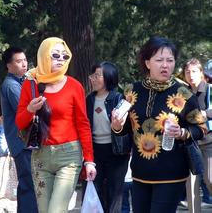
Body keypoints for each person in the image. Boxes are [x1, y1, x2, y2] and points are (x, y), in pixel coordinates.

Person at [111, 36, 206, 213]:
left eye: (170, 60)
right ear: (147, 63)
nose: (165, 65)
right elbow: (123, 130)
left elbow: (201, 128)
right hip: (139, 173)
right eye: (159, 60)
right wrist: (116, 125)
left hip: (172, 173)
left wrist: (182, 132)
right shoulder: (131, 91)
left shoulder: (184, 94)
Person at [16, 37, 96, 213]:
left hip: (69, 156)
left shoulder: (74, 86)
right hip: (40, 155)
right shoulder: (31, 85)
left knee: (56, 211)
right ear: (44, 56)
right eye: (55, 55)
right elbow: (20, 122)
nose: (60, 59)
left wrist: (89, 160)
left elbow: (83, 123)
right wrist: (30, 109)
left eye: (64, 56)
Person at [86, 61, 130, 213]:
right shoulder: (89, 99)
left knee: (115, 193)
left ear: (109, 77)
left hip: (116, 151)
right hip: (95, 151)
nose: (92, 78)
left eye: (97, 75)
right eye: (92, 75)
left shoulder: (119, 98)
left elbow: (126, 128)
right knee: (97, 193)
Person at [0, 47, 38, 213]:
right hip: (21, 142)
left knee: (26, 185)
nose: (24, 64)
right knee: (29, 184)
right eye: (18, 61)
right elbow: (26, 109)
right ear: (8, 65)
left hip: (23, 141)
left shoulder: (22, 82)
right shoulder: (11, 85)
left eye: (24, 60)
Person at [182, 58, 212, 212]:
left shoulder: (210, 89)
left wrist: (204, 114)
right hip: (190, 143)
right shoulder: (182, 93)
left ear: (201, 73)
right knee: (191, 185)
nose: (190, 75)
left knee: (210, 179)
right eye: (187, 72)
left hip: (209, 141)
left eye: (194, 71)